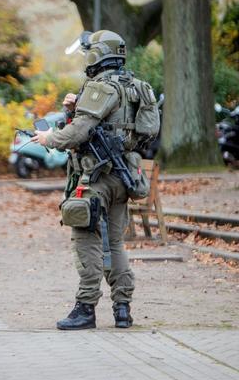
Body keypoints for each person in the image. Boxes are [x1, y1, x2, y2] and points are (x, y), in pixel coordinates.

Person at [32, 30, 159, 330]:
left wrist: (48, 137)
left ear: (97, 55)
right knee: (115, 242)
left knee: (85, 240)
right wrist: (72, 110)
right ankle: (123, 308)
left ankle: (85, 308)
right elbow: (134, 130)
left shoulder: (101, 87)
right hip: (122, 176)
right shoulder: (135, 86)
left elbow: (77, 133)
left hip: (95, 177)